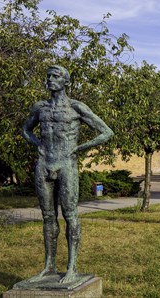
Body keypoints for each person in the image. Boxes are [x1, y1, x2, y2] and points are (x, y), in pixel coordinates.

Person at [22, 65, 113, 284]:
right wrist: (38, 145)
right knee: (47, 217)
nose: (50, 80)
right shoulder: (40, 107)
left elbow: (106, 132)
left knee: (70, 215)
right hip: (44, 163)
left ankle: (72, 267)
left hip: (66, 164)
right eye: (48, 77)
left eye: (56, 76)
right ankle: (48, 266)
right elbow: (26, 129)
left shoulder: (76, 107)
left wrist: (79, 148)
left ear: (66, 82)